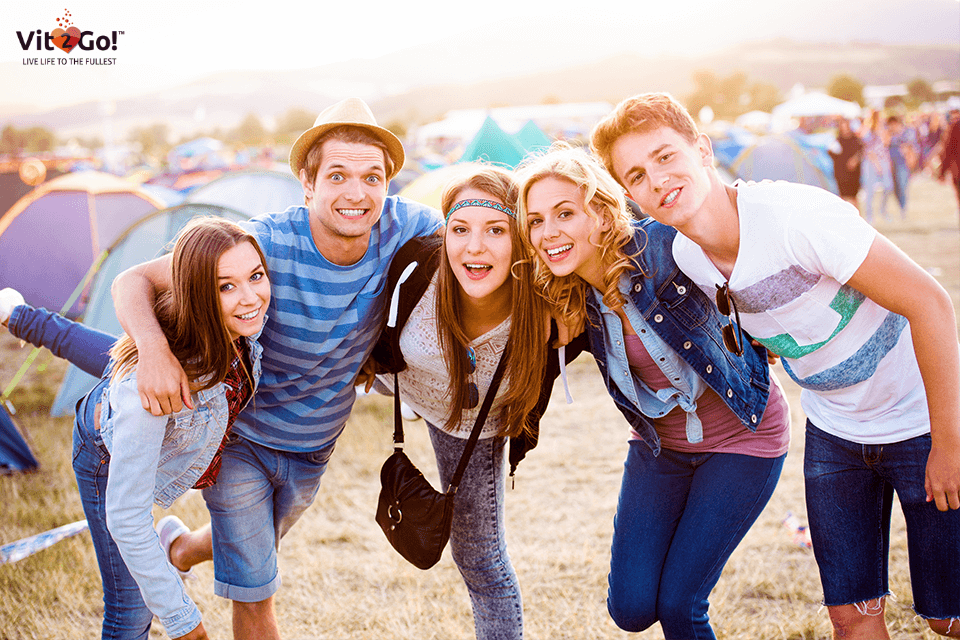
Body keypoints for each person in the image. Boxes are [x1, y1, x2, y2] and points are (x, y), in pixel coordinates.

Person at [590, 91, 960, 639]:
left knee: (946, 618)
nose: (657, 179)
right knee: (852, 618)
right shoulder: (690, 258)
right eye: (637, 175)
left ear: (703, 150)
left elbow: (931, 303)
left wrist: (950, 443)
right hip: (834, 431)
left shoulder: (796, 219)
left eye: (666, 156)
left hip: (920, 420)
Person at [110, 98, 442, 640]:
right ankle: (193, 554)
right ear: (307, 185)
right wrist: (153, 352)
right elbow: (132, 282)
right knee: (258, 592)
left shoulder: (406, 226)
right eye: (337, 175)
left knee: (249, 544)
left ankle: (179, 546)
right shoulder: (260, 243)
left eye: (371, 177)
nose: (356, 193)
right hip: (241, 440)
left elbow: (480, 235)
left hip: (314, 447)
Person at [515, 145, 790, 640]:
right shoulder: (565, 295)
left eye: (564, 213)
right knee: (632, 609)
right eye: (535, 221)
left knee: (681, 604)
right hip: (660, 447)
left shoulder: (665, 246)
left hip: (743, 438)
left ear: (601, 214)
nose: (548, 232)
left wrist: (764, 334)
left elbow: (744, 262)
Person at [3, 217, 271, 640]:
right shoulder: (144, 399)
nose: (251, 297)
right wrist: (186, 623)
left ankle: (16, 315)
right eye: (226, 286)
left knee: (93, 347)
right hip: (107, 446)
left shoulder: (227, 323)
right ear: (194, 294)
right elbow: (126, 520)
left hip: (157, 366)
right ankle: (17, 315)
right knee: (130, 609)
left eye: (256, 276)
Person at [363, 164, 580, 639]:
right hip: (418, 393)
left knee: (479, 557)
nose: (474, 246)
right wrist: (364, 360)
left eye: (496, 230)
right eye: (460, 229)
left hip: (477, 425)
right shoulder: (417, 273)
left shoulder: (550, 305)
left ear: (521, 240)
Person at [859, 110, 895, 223]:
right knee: (869, 190)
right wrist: (877, 164)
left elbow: (886, 144)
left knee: (888, 187)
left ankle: (883, 211)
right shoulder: (868, 131)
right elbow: (868, 150)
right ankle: (869, 216)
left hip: (883, 161)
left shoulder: (883, 130)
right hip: (871, 162)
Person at [827, 117, 863, 211]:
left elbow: (861, 151)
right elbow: (832, 154)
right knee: (842, 196)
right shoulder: (837, 140)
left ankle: (857, 217)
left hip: (853, 173)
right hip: (841, 171)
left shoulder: (856, 139)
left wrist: (855, 159)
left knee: (853, 196)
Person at [887, 114, 919, 218]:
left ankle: (903, 208)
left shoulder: (907, 132)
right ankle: (901, 206)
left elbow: (911, 146)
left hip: (902, 163)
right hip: (891, 163)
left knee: (902, 185)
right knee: (894, 187)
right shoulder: (888, 134)